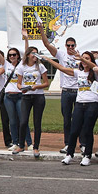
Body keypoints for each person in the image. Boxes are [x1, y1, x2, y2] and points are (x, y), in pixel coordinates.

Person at [42, 51, 98, 166]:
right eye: (82, 58)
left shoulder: (96, 72)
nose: (83, 61)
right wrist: (49, 60)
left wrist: (82, 59)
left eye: (86, 58)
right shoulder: (78, 72)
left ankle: (87, 156)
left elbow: (95, 67)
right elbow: (62, 69)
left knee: (88, 131)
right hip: (79, 104)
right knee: (74, 131)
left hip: (92, 104)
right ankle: (69, 154)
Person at [37, 24, 79, 153]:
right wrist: (42, 31)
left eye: (72, 45)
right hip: (66, 90)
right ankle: (68, 144)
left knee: (79, 119)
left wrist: (79, 56)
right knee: (66, 119)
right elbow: (47, 45)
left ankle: (82, 143)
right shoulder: (61, 55)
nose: (70, 47)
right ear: (65, 46)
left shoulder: (81, 56)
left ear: (75, 46)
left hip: (78, 91)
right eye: (68, 45)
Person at [14, 45, 49, 158]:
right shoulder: (22, 67)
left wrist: (36, 87)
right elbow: (19, 83)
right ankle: (21, 145)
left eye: (36, 53)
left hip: (38, 96)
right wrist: (21, 88)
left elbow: (46, 83)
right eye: (33, 53)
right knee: (23, 121)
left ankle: (36, 147)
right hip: (26, 96)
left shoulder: (40, 66)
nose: (35, 55)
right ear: (28, 55)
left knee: (37, 122)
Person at [3, 43, 33, 153]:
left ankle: (29, 143)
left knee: (23, 120)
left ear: (18, 56)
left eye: (14, 55)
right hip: (8, 96)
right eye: (10, 55)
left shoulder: (22, 65)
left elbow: (27, 52)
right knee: (13, 121)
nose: (12, 57)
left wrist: (25, 39)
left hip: (20, 95)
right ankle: (15, 143)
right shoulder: (6, 64)